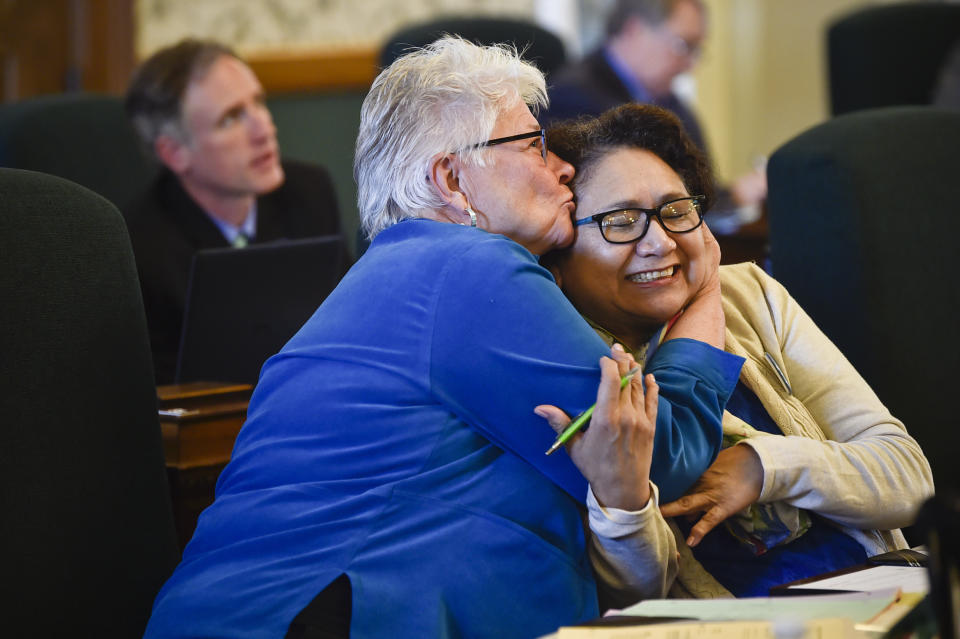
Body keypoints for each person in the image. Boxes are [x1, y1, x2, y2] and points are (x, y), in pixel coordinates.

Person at [143, 37, 745, 639]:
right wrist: (704, 285)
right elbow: (664, 455)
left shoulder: (409, 274)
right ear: (452, 181)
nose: (561, 165)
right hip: (313, 615)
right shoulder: (465, 269)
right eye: (533, 145)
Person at [544, 103, 935, 598]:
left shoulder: (747, 294)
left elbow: (908, 477)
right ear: (559, 251)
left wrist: (763, 466)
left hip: (885, 597)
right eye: (621, 221)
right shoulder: (567, 358)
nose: (661, 242)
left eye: (676, 211)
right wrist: (624, 505)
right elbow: (636, 592)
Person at [123, 38, 350, 384]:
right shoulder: (139, 248)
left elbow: (352, 327)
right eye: (231, 118)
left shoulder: (309, 192)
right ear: (174, 153)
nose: (264, 129)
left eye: (258, 102)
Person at [545, 0, 766, 232]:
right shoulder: (572, 96)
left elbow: (698, 192)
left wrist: (733, 196)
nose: (690, 65)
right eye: (684, 45)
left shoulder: (670, 103)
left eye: (696, 50)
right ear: (634, 30)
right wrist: (735, 196)